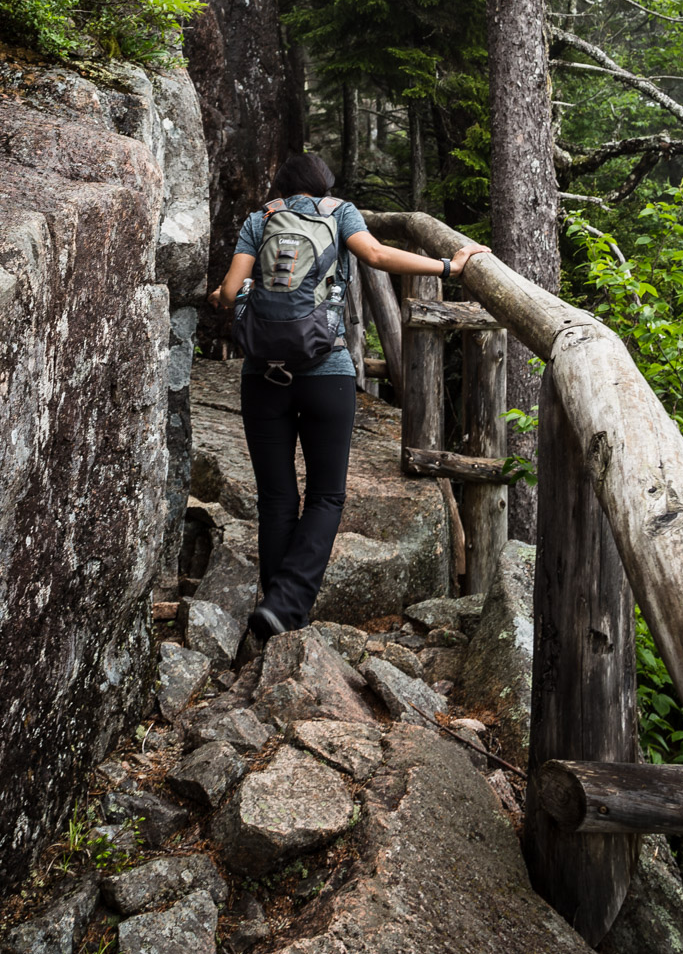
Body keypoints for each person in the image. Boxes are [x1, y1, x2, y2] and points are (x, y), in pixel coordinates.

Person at [208, 152, 486, 642]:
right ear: (324, 184)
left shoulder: (261, 218)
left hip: (262, 376)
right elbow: (377, 256)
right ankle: (286, 604)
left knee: (276, 498)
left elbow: (231, 293)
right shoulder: (340, 213)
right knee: (326, 495)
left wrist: (222, 295)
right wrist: (449, 265)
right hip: (326, 372)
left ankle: (276, 615)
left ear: (282, 183)